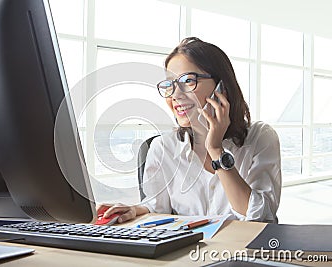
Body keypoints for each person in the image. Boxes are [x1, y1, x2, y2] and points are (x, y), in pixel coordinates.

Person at [98, 37, 281, 223]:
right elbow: (157, 206)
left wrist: (216, 150)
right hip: (190, 251)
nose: (176, 94)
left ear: (221, 87)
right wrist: (135, 209)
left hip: (241, 250)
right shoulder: (162, 147)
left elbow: (261, 217)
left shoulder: (261, 137)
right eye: (170, 84)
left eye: (188, 80)